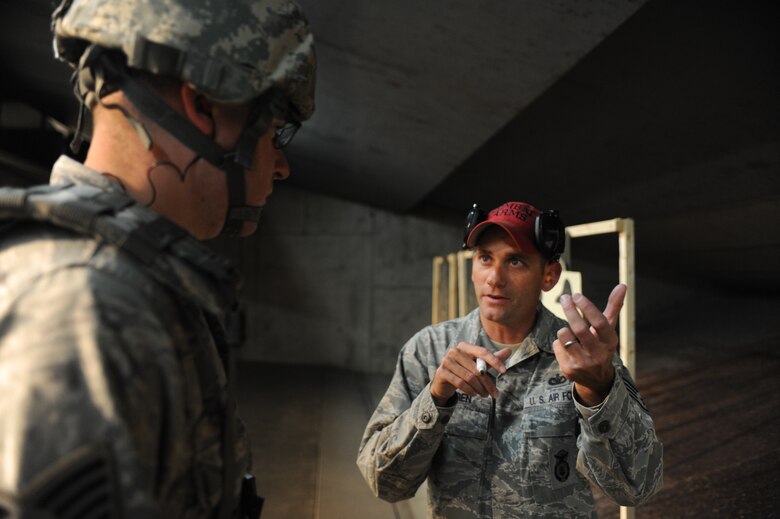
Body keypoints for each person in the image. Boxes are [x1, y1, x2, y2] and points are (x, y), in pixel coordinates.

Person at [0, 0, 315, 517]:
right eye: (274, 129)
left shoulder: (139, 277)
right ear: (205, 106)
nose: (280, 166)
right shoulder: (85, 307)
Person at [357, 201, 663, 518]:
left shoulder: (584, 357)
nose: (494, 278)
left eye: (515, 262)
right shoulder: (429, 350)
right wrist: (434, 399)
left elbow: (638, 486)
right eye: (485, 259)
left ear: (549, 275)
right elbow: (385, 484)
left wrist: (599, 391)